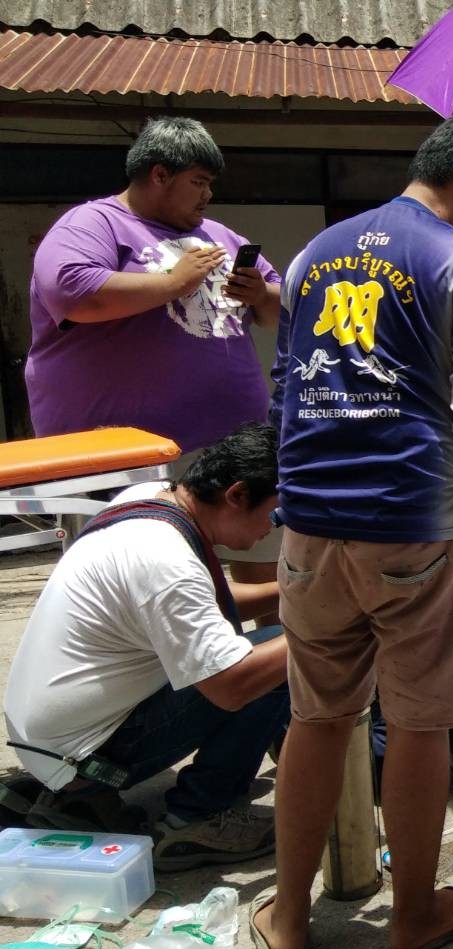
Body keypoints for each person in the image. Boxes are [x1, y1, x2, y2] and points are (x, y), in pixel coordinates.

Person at [257, 115, 453, 949]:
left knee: (316, 718)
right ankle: (414, 916)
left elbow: (286, 391)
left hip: (309, 526)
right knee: (419, 724)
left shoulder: (314, 253)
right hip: (415, 524)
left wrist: (295, 503)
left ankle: (288, 919)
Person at [3, 423, 288, 870]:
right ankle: (196, 818)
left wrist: (299, 593)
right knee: (279, 663)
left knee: (272, 647)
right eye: (273, 514)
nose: (270, 529)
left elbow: (214, 604)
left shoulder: (151, 501)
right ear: (236, 495)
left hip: (46, 739)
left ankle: (71, 799)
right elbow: (232, 687)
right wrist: (323, 629)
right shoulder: (166, 562)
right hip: (81, 756)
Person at [26, 116, 285, 603]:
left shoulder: (220, 236)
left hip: (232, 447)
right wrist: (172, 283)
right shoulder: (93, 223)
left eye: (210, 183)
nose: (207, 195)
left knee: (265, 568)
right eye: (198, 182)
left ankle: (269, 671)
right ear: (159, 175)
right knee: (137, 592)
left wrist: (260, 294)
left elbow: (278, 310)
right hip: (126, 458)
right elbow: (72, 291)